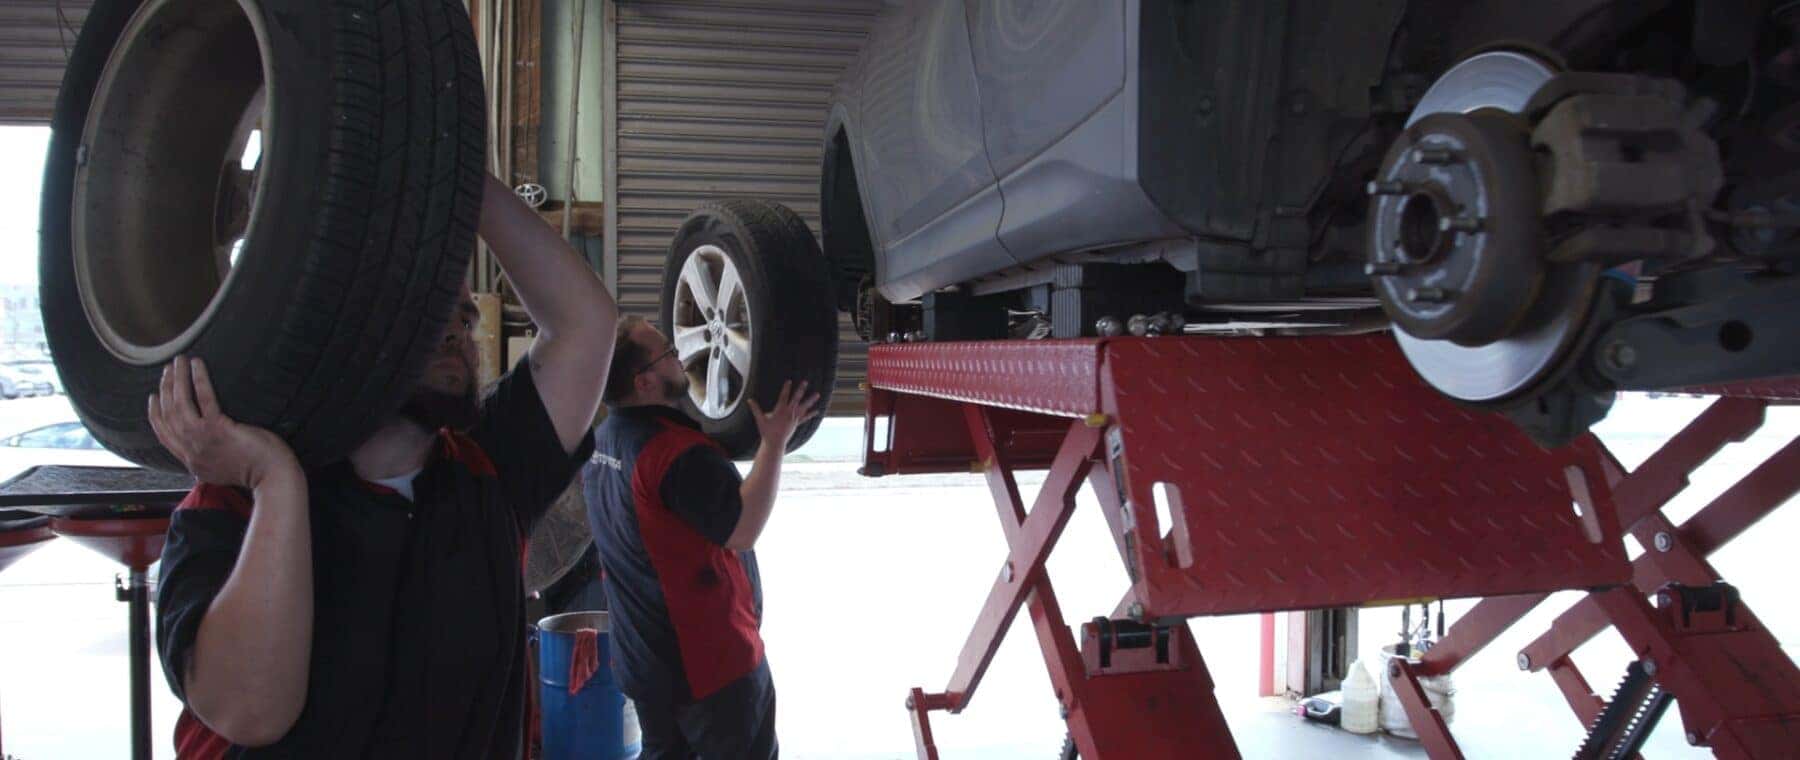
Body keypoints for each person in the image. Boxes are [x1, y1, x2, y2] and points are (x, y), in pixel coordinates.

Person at [150, 175, 618, 758]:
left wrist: (447, 161)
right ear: (342, 336)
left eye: (464, 317)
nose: (458, 330)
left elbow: (586, 325)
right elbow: (249, 711)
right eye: (425, 315)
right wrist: (277, 482)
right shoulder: (231, 509)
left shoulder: (489, 469)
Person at [583, 316, 818, 759]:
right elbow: (743, 528)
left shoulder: (603, 442)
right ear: (645, 382)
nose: (680, 356)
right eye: (668, 353)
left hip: (644, 663)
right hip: (710, 673)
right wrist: (774, 442)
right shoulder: (675, 455)